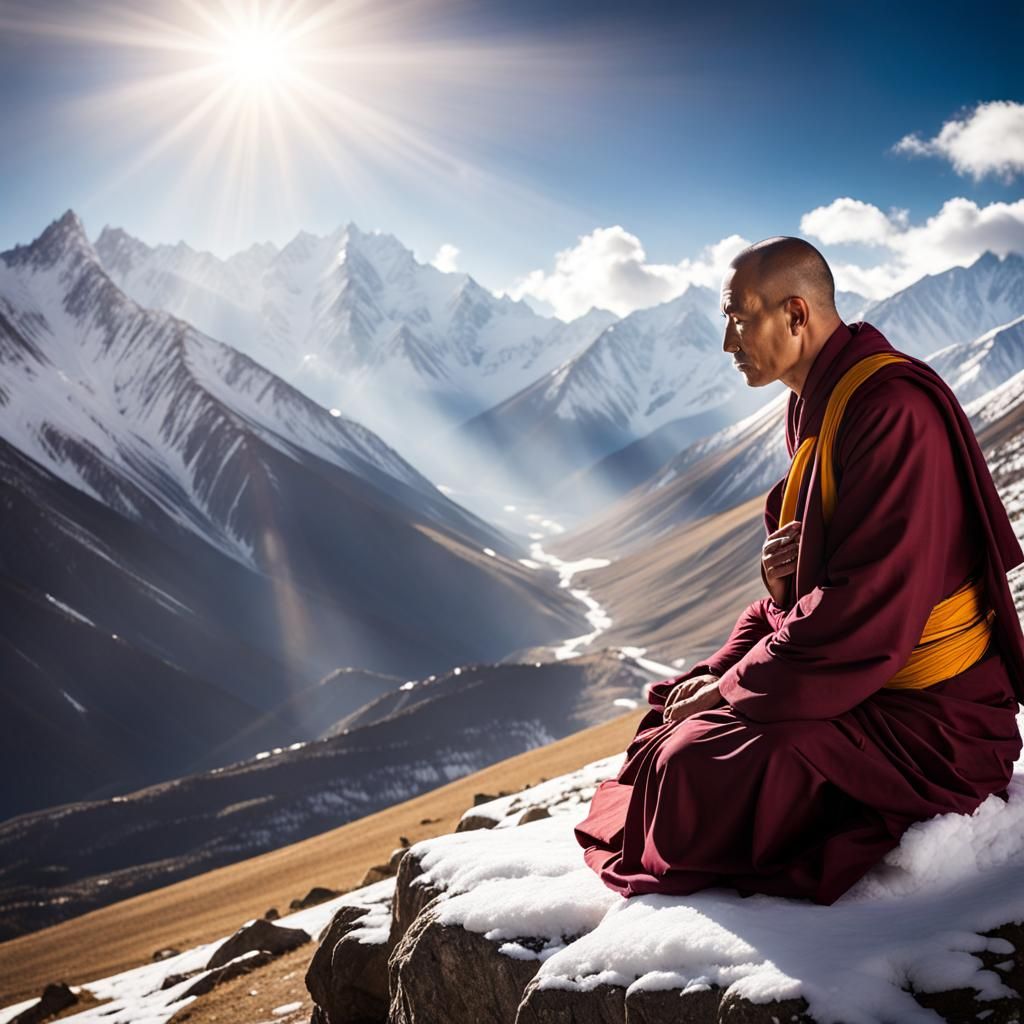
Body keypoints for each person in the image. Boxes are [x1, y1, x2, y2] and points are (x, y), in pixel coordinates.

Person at [574, 236, 1024, 905]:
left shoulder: (891, 412)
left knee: (690, 762)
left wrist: (733, 688)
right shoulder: (818, 399)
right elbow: (827, 576)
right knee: (673, 715)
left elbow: (866, 612)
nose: (728, 343)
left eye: (738, 318)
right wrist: (772, 602)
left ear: (795, 315)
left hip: (928, 715)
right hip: (850, 664)